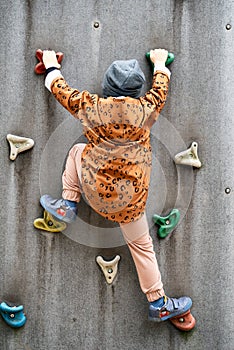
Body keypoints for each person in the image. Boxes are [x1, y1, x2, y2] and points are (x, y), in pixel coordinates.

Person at [39, 48, 193, 322]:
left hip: (95, 191)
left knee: (77, 152)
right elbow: (161, 88)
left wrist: (51, 66)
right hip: (130, 204)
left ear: (107, 87)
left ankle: (68, 203)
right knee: (142, 248)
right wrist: (159, 63)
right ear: (137, 91)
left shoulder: (93, 107)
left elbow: (60, 89)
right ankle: (159, 302)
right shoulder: (146, 109)